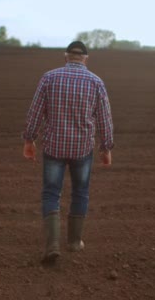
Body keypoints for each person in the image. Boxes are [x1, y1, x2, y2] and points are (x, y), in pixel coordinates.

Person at [22, 41, 114, 263]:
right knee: (80, 192)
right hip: (82, 149)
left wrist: (29, 140)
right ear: (85, 59)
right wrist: (106, 147)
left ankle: (52, 244)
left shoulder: (49, 78)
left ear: (66, 57)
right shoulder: (96, 82)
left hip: (54, 147)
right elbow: (105, 119)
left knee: (51, 193)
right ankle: (74, 242)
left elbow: (35, 112)